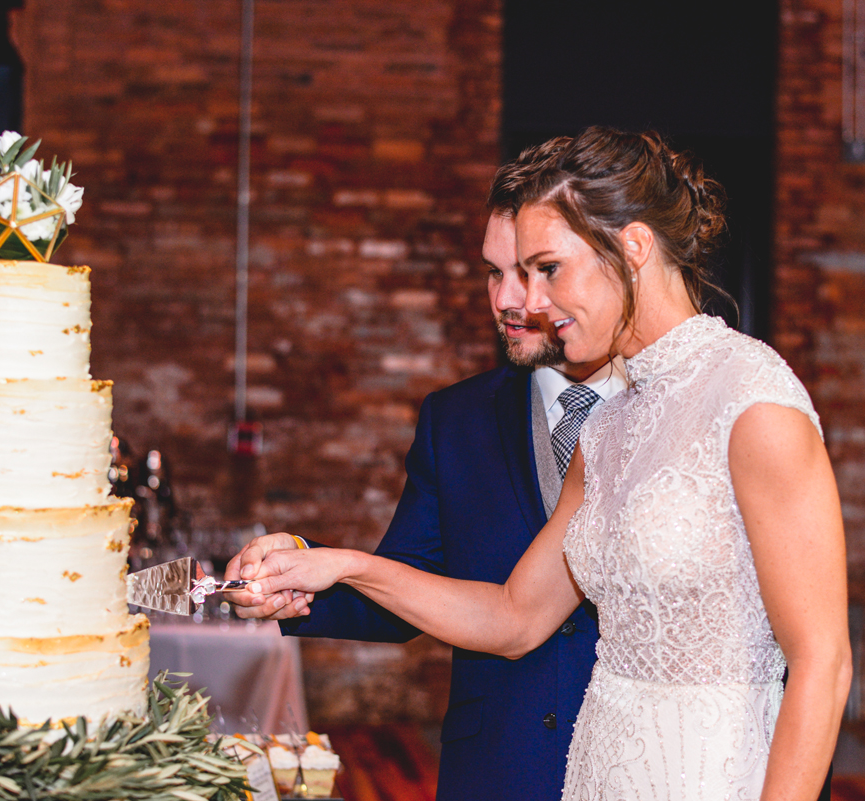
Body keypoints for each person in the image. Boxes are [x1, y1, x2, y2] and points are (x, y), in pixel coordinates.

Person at [231, 126, 851, 801]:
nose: (530, 300)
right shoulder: (609, 427)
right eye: (515, 273)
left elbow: (823, 662)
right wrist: (343, 564)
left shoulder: (751, 400)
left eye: (547, 269)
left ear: (633, 245)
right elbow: (514, 617)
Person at [225, 138, 629, 801]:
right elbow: (406, 591)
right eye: (492, 273)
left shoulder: (676, 406)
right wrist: (295, 574)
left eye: (530, 272)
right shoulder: (456, 419)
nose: (504, 298)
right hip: (497, 769)